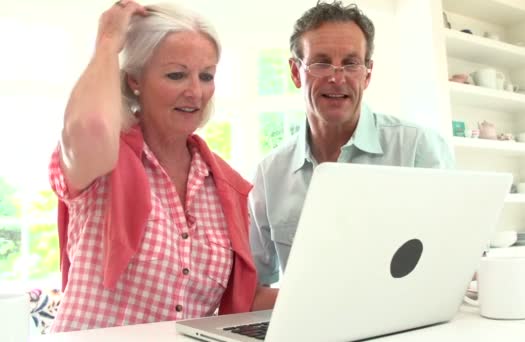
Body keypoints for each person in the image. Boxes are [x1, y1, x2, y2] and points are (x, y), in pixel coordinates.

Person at [48, 1, 276, 332]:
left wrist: (329, 294)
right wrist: (109, 39)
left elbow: (241, 298)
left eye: (206, 76)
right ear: (134, 81)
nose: (195, 92)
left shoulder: (226, 186)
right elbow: (92, 125)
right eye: (176, 74)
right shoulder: (103, 162)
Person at [249, 0, 454, 285]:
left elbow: (451, 259)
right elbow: (254, 285)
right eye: (321, 63)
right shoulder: (269, 174)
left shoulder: (417, 147)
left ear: (367, 73)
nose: (336, 77)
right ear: (296, 72)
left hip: (403, 325)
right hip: (308, 326)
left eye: (351, 63)